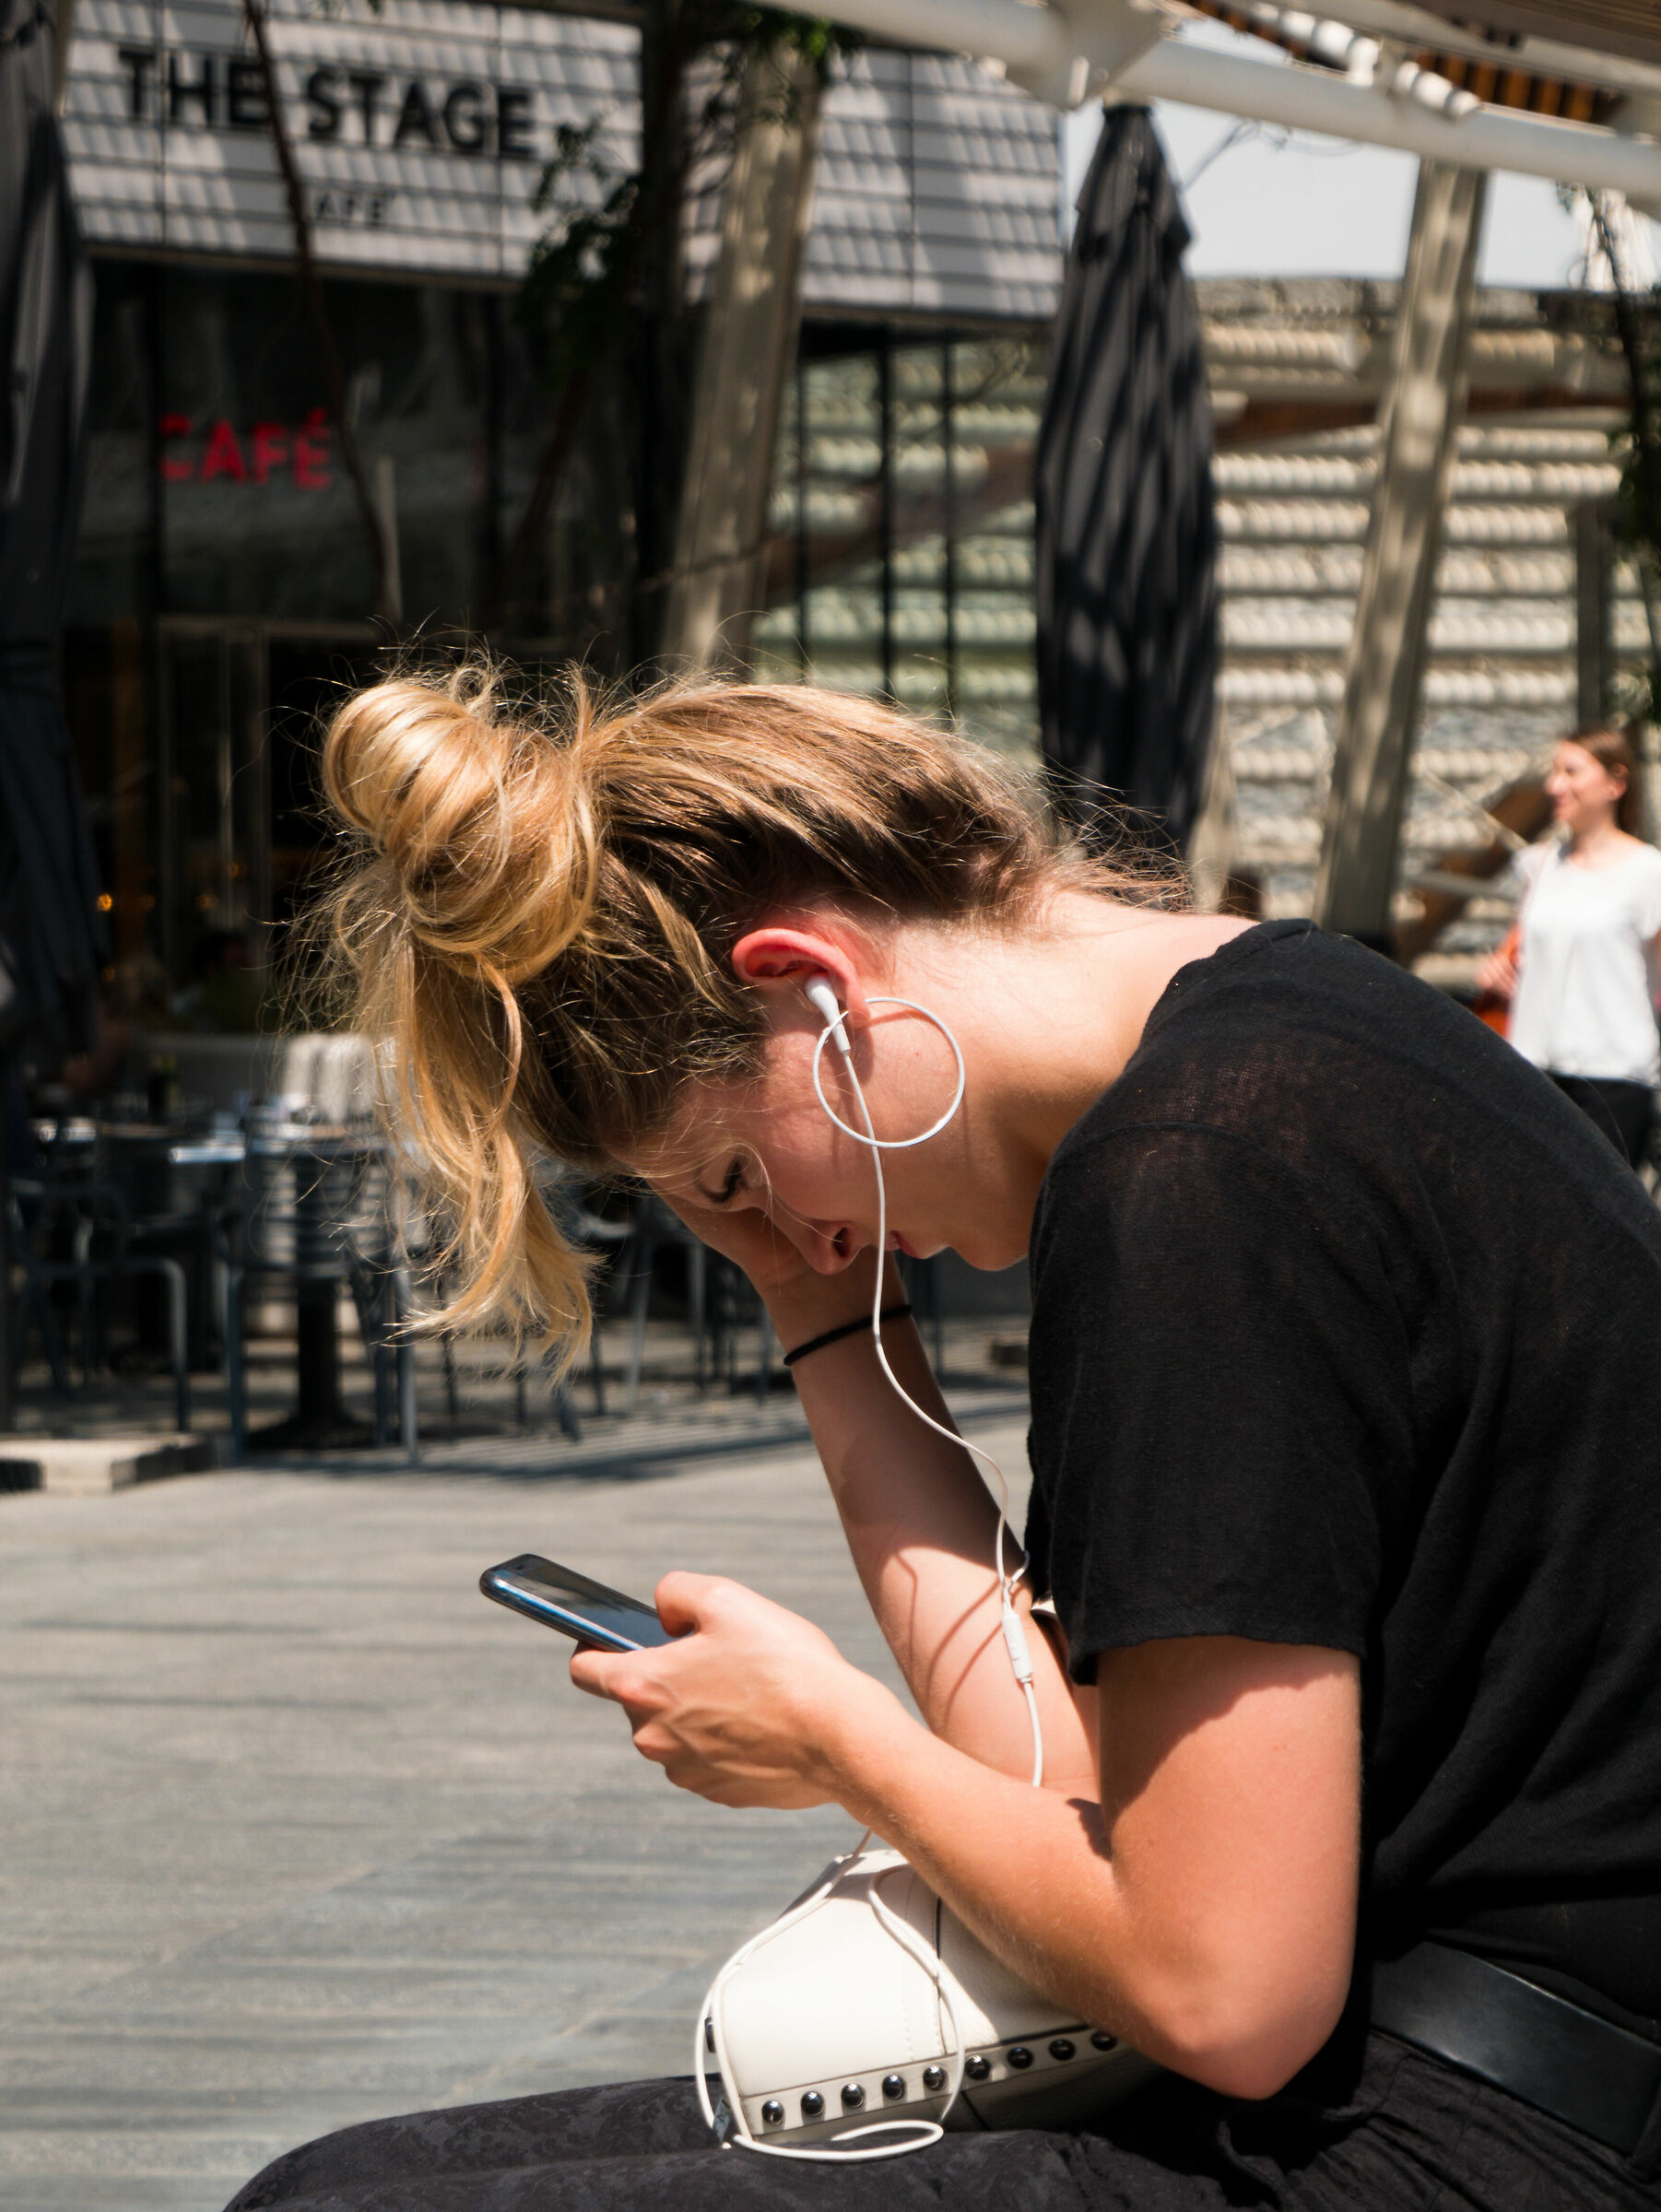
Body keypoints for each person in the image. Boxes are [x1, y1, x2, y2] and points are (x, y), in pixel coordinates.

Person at [229, 668, 1661, 2212]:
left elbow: (1222, 1993)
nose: (803, 1233)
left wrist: (839, 1746)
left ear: (810, 986)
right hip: (1482, 2090)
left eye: (735, 1174)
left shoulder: (1194, 1179)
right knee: (328, 2189)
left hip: (1473, 2143)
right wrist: (820, 1319)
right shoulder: (1281, 1023)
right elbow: (1075, 1779)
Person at [1478, 724, 1661, 1168]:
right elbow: (1524, 953)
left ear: (1616, 782)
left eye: (1571, 772)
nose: (1554, 785)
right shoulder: (1540, 865)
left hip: (1613, 1077)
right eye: (1554, 771)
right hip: (1534, 1070)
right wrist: (1497, 973)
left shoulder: (1647, 871)